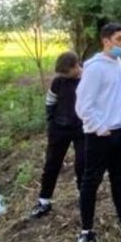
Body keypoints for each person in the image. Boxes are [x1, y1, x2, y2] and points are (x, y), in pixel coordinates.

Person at [75, 22, 121, 242]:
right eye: (119, 39)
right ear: (106, 41)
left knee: (120, 177)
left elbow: (120, 95)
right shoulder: (94, 67)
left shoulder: (120, 64)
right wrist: (100, 127)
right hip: (101, 134)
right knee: (91, 180)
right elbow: (83, 104)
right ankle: (87, 230)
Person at [30, 51, 85, 218]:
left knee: (82, 165)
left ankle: (84, 199)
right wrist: (52, 122)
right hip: (59, 128)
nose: (63, 76)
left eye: (66, 73)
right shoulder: (58, 81)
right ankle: (44, 201)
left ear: (76, 66)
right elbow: (50, 102)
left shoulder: (88, 80)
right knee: (52, 164)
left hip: (83, 128)